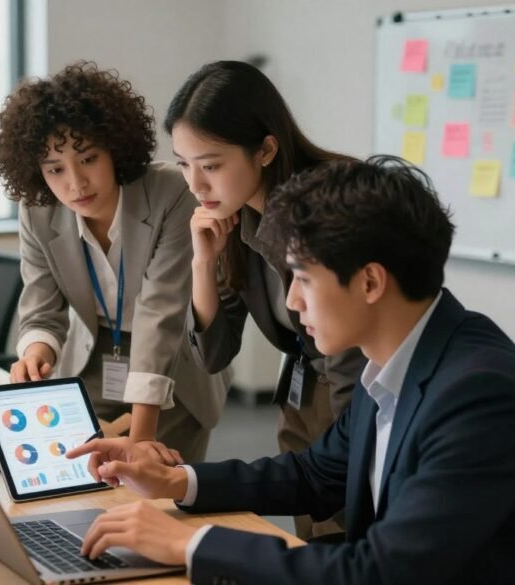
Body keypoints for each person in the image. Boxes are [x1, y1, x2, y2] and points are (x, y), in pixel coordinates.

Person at [67, 156, 515, 585]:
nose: (292, 301)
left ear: (369, 282)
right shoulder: (402, 356)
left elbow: (382, 574)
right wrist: (176, 481)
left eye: (303, 279)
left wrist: (190, 542)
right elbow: (316, 474)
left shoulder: (478, 393)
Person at [0, 61, 229, 462]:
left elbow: (161, 313)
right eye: (55, 169)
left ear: (114, 148)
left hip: (173, 368)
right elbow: (41, 306)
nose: (75, 183)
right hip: (93, 358)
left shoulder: (171, 192)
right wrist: (36, 352)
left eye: (88, 159)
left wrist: (141, 438)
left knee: (159, 496)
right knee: (81, 479)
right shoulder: (38, 210)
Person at [167, 60, 366, 538]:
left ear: (266, 149)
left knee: (343, 541)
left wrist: (352, 459)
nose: (195, 186)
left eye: (211, 165)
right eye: (184, 166)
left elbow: (353, 367)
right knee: (311, 538)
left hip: (355, 398)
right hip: (304, 395)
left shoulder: (332, 204)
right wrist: (202, 264)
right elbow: (213, 356)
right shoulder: (233, 219)